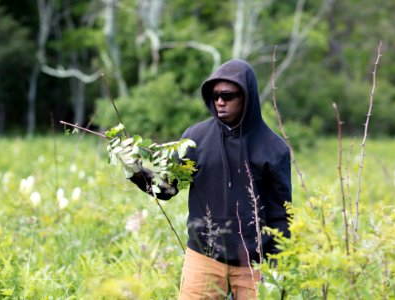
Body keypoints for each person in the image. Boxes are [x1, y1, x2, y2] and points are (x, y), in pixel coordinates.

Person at [119, 59, 292, 299]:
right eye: (215, 95)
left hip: (256, 264)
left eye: (228, 95)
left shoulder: (274, 149)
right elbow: (168, 189)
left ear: (247, 96)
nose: (220, 101)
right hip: (204, 258)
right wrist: (136, 171)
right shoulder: (195, 138)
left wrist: (277, 269)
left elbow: (281, 215)